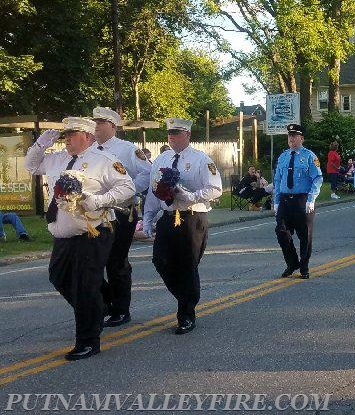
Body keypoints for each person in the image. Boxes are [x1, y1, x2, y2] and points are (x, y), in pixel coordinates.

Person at [24, 117, 135, 360]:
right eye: (65, 136)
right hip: (63, 234)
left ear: (87, 136)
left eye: (72, 135)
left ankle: (88, 341)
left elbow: (127, 188)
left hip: (92, 232)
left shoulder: (104, 161)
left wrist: (99, 200)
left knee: (85, 285)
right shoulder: (57, 159)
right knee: (58, 276)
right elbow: (31, 166)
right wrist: (41, 144)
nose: (67, 140)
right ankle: (100, 308)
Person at [143, 117, 223, 335]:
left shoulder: (200, 159)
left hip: (192, 217)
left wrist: (191, 196)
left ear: (187, 135)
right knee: (160, 260)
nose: (171, 137)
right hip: (168, 216)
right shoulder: (161, 159)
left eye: (176, 133)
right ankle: (187, 297)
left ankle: (186, 314)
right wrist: (148, 218)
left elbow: (215, 189)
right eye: (169, 133)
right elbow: (152, 192)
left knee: (187, 266)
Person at [92, 107, 151, 328]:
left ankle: (121, 309)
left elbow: (148, 172)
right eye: (95, 122)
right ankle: (106, 302)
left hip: (121, 211)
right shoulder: (89, 149)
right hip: (95, 212)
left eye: (101, 123)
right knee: (92, 261)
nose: (96, 126)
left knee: (115, 261)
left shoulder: (127, 149)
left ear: (113, 126)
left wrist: (128, 191)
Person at [273, 124, 323, 279]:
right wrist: (276, 200)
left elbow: (318, 178)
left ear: (301, 138)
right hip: (285, 200)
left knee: (304, 235)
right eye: (289, 136)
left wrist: (312, 198)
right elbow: (278, 179)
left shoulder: (309, 156)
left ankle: (304, 265)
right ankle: (292, 262)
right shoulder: (283, 156)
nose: (291, 139)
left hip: (302, 199)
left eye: (294, 136)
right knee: (281, 231)